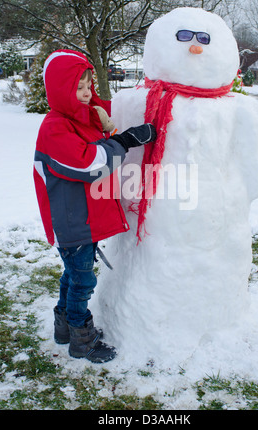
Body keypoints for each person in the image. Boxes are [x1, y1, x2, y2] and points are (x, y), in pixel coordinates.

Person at [33, 49, 156, 363]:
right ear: (61, 91)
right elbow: (90, 163)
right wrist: (125, 140)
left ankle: (63, 327)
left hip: (82, 218)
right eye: (79, 87)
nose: (87, 93)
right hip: (72, 221)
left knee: (73, 275)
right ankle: (81, 338)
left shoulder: (82, 118)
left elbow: (105, 116)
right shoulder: (54, 129)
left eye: (89, 85)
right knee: (83, 279)